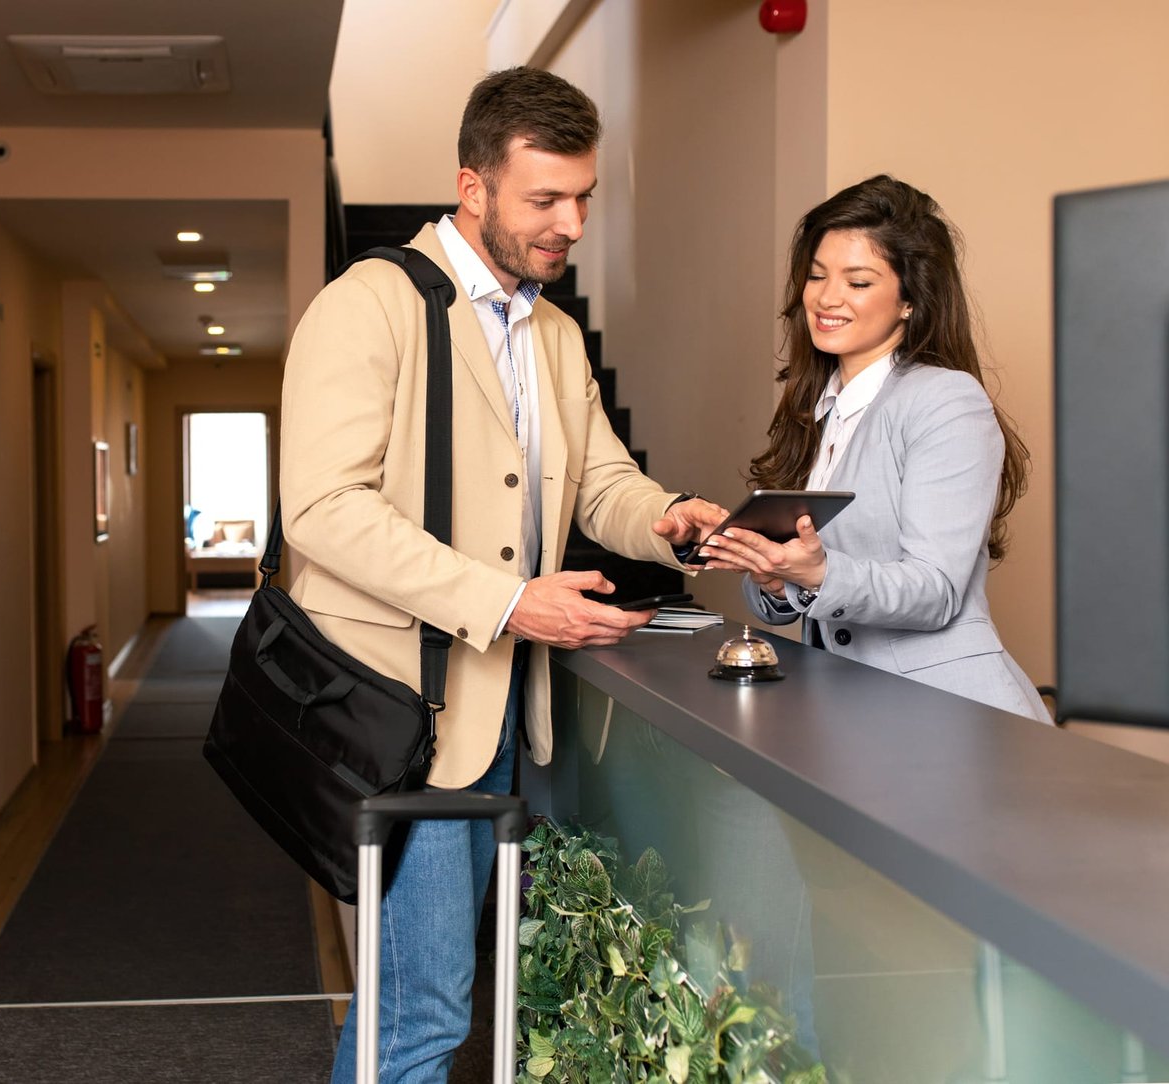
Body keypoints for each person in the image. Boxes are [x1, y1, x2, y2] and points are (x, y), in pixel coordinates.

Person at [279, 67, 726, 1081]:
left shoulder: (554, 333)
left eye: (583, 199)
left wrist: (668, 519)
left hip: (504, 720)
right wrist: (510, 601)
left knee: (418, 1004)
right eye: (544, 200)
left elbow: (599, 482)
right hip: (405, 723)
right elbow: (320, 507)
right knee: (426, 1015)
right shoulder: (370, 306)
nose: (570, 223)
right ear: (471, 187)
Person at [696, 174, 1047, 722]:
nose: (826, 297)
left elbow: (935, 591)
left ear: (910, 299)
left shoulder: (946, 399)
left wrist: (815, 572)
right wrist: (773, 574)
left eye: (857, 282)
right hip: (849, 710)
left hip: (947, 714)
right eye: (816, 276)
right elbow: (811, 585)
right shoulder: (823, 406)